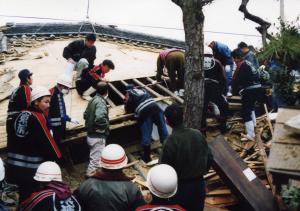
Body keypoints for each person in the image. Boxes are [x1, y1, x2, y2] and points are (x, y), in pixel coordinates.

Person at [6, 86, 62, 202]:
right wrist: (57, 157)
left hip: (12, 168)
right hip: (30, 170)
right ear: (36, 102)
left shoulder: (17, 115)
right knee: (29, 198)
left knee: (17, 199)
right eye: (46, 102)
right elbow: (46, 141)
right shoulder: (39, 117)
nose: (49, 105)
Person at [160, 104, 213, 211]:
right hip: (199, 185)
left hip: (181, 189)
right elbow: (210, 158)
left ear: (167, 121)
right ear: (183, 117)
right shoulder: (198, 134)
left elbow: (164, 170)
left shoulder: (170, 142)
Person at [75, 144, 145, 211]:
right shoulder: (131, 189)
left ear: (102, 164)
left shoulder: (85, 185)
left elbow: (76, 206)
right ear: (123, 165)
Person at [124, 85, 168, 163]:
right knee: (162, 128)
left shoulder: (129, 93)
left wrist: (126, 106)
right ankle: (167, 149)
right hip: (156, 109)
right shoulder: (143, 90)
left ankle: (147, 157)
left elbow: (128, 107)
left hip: (145, 113)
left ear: (127, 91)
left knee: (146, 134)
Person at [231, 48, 265, 139]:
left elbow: (238, 81)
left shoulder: (241, 65)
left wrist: (234, 90)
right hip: (258, 87)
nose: (233, 61)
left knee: (246, 111)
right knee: (251, 108)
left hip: (250, 89)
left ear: (237, 58)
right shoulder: (248, 63)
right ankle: (254, 126)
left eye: (234, 58)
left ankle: (250, 135)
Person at [83, 82, 109, 176]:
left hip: (90, 135)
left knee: (94, 158)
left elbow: (85, 115)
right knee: (95, 162)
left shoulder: (92, 100)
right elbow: (100, 118)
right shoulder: (101, 102)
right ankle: (90, 179)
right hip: (97, 136)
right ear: (106, 91)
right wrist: (104, 127)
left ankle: (94, 177)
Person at [201, 48, 229, 135]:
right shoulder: (217, 62)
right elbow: (223, 78)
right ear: (211, 54)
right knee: (223, 105)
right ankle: (223, 126)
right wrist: (224, 91)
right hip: (214, 87)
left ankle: (203, 130)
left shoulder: (198, 62)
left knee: (203, 110)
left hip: (202, 88)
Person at [48, 74, 79, 145]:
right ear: (61, 85)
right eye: (67, 87)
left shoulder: (53, 91)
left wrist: (69, 119)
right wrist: (69, 119)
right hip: (56, 128)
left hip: (56, 126)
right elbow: (61, 113)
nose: (68, 90)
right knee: (57, 145)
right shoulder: (57, 96)